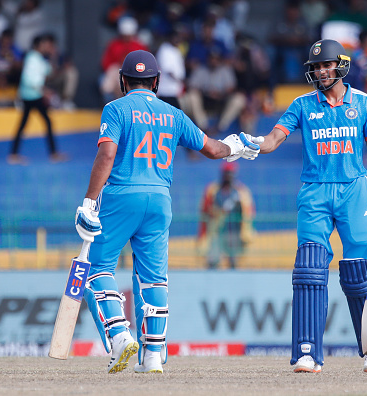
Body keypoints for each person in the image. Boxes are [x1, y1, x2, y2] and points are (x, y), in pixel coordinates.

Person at [73, 50, 250, 374]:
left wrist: (88, 201)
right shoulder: (174, 114)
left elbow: (107, 155)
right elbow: (212, 149)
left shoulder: (115, 108)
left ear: (123, 81)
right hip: (160, 200)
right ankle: (152, 356)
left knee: (97, 270)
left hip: (121, 196)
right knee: (154, 279)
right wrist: (237, 146)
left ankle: (118, 334)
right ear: (155, 82)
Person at [236, 39, 367, 373]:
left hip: (354, 191)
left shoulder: (364, 103)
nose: (321, 71)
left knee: (358, 275)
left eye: (326, 65)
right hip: (314, 193)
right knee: (309, 270)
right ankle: (306, 353)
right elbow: (275, 137)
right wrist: (257, 144)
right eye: (315, 67)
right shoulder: (302, 105)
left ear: (341, 66)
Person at [8, 34, 67, 165]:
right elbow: (29, 80)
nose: (46, 46)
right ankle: (53, 153)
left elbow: (50, 72)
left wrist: (53, 56)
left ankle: (14, 154)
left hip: (33, 95)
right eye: (44, 44)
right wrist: (44, 91)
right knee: (45, 122)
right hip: (31, 96)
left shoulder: (39, 59)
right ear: (38, 45)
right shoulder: (32, 58)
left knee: (27, 124)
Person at [197, 161, 255, 269]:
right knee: (213, 260)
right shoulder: (213, 189)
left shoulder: (241, 191)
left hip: (234, 231)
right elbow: (205, 209)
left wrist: (246, 232)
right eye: (226, 173)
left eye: (231, 173)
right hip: (216, 230)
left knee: (233, 260)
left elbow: (249, 212)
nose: (228, 176)